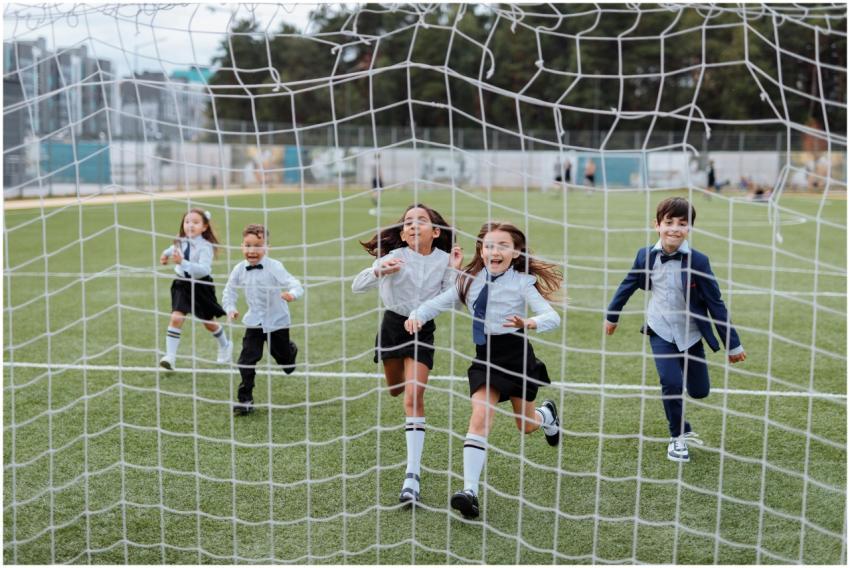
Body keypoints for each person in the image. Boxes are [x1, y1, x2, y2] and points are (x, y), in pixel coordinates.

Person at [405, 221, 562, 519]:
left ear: (516, 252)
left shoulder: (522, 282)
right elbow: (438, 303)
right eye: (489, 245)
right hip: (485, 359)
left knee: (526, 425)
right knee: (479, 417)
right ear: (481, 249)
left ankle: (547, 416)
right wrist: (417, 315)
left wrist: (530, 322)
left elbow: (552, 317)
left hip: (517, 358)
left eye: (503, 245)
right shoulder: (469, 280)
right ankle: (470, 492)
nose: (495, 251)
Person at [604, 197, 746, 463]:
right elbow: (627, 285)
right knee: (671, 383)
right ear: (657, 225)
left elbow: (716, 303)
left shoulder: (699, 262)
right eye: (669, 222)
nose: (674, 229)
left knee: (699, 390)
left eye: (682, 223)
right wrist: (612, 316)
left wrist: (733, 344)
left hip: (691, 334)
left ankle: (684, 417)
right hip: (660, 330)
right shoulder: (645, 255)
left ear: (689, 228)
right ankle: (677, 437)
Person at [352, 204, 463, 505]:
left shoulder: (444, 260)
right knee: (396, 389)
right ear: (402, 234)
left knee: (413, 396)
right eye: (408, 222)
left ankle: (412, 475)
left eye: (421, 221)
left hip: (422, 330)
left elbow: (454, 302)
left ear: (435, 232)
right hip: (392, 326)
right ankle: (400, 385)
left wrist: (454, 269)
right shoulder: (394, 256)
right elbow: (356, 286)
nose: (414, 225)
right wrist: (378, 270)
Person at [222, 224, 304, 416]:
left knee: (282, 357)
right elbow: (229, 291)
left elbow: (294, 283)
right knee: (246, 360)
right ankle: (245, 400)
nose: (252, 250)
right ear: (242, 246)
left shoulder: (274, 267)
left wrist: (292, 294)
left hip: (277, 321)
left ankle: (290, 351)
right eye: (248, 245)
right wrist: (230, 308)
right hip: (254, 322)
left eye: (258, 246)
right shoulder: (239, 269)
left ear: (267, 247)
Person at [159, 208, 231, 371]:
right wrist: (165, 255)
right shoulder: (180, 241)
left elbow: (203, 270)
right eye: (187, 222)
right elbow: (172, 249)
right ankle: (170, 357)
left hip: (201, 286)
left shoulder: (206, 246)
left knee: (209, 323)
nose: (190, 225)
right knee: (176, 318)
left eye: (196, 222)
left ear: (204, 227)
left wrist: (182, 262)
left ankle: (225, 345)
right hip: (182, 284)